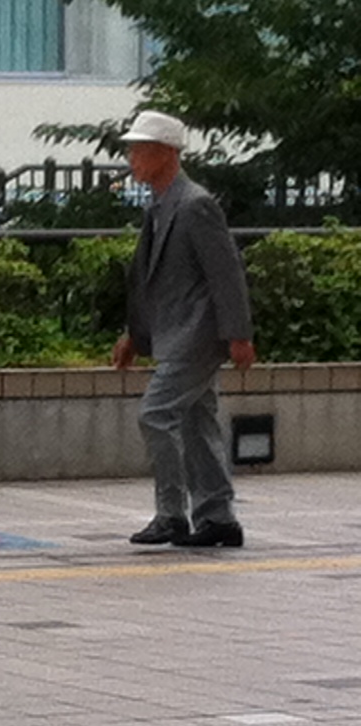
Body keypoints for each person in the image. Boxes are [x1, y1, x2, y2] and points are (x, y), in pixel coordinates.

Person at [112, 109, 256, 548]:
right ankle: (218, 518)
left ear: (166, 153)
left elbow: (225, 273)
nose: (132, 159)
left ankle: (171, 515)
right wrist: (136, 337)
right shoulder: (159, 206)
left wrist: (239, 335)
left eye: (139, 150)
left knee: (155, 414)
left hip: (198, 335)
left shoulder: (195, 204)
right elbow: (150, 280)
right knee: (197, 422)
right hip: (176, 333)